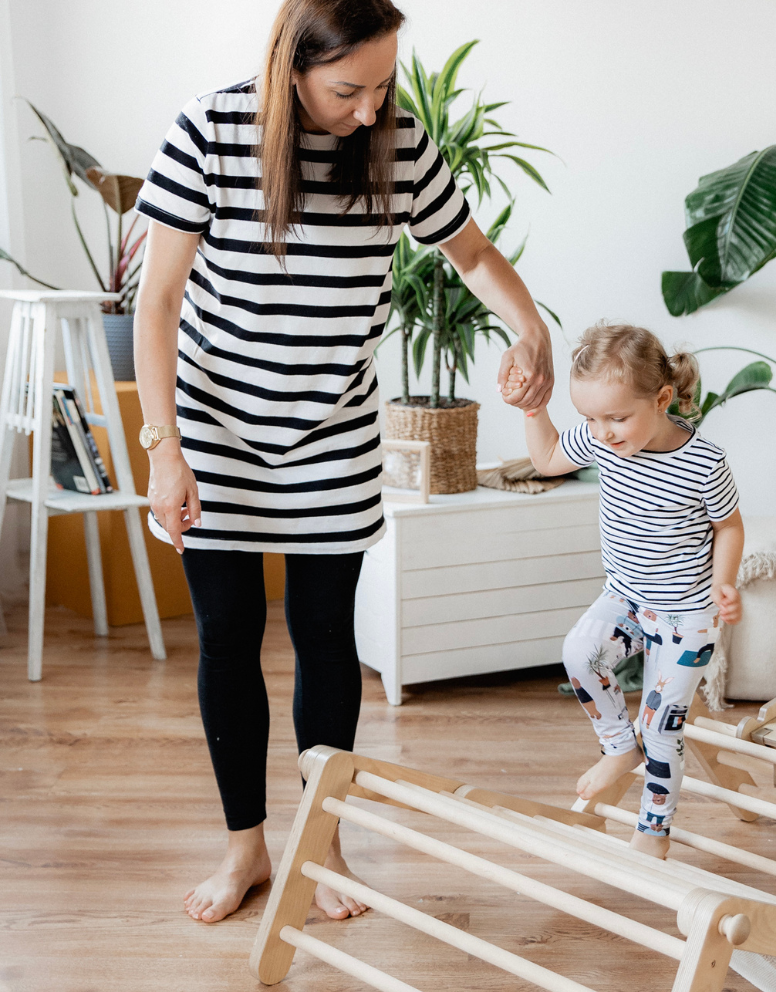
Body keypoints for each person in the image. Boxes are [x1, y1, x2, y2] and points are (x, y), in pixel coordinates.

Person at [133, 0, 553, 923]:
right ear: (292, 70)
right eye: (346, 89)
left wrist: (530, 326)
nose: (369, 110)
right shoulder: (210, 130)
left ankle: (321, 850)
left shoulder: (396, 144)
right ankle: (246, 847)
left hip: (333, 428)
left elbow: (470, 251)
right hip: (213, 425)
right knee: (228, 639)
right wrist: (164, 451)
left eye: (383, 85)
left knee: (327, 641)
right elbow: (158, 302)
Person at [506, 324, 743, 858]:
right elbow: (546, 460)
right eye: (591, 418)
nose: (603, 432)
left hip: (686, 616)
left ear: (662, 399)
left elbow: (729, 526)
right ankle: (619, 747)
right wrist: (531, 409)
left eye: (616, 418)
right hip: (628, 597)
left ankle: (651, 834)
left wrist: (725, 583)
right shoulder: (600, 440)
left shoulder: (705, 462)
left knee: (661, 728)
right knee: (580, 653)